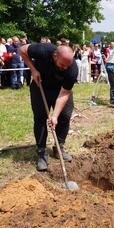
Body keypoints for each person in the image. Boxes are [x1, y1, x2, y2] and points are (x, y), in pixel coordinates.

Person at [20, 43, 78, 171]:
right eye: (62, 65)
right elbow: (22, 50)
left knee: (65, 116)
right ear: (55, 56)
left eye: (67, 65)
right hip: (40, 86)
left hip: (60, 90)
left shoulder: (72, 69)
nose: (65, 68)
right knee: (40, 118)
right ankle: (41, 153)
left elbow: (64, 93)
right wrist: (33, 70)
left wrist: (55, 116)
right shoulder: (43, 50)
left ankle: (59, 148)